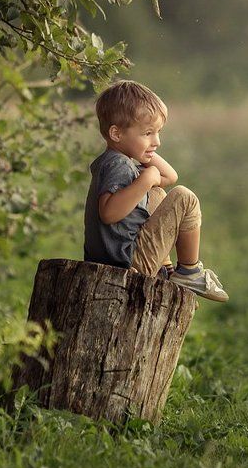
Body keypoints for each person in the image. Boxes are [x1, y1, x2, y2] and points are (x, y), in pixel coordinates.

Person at [83, 80, 229, 302]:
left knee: (158, 194)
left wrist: (146, 158)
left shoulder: (117, 160)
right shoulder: (118, 164)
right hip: (125, 264)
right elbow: (109, 213)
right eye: (148, 133)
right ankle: (189, 272)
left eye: (158, 132)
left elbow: (169, 177)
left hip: (120, 260)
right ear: (116, 134)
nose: (157, 141)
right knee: (184, 198)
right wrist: (147, 178)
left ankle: (167, 271)